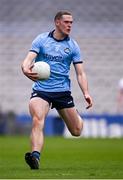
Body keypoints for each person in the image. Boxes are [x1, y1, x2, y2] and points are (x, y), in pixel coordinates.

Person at [21, 11, 93, 169]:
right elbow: (27, 61)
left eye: (71, 23)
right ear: (57, 23)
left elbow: (80, 73)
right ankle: (35, 156)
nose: (70, 25)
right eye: (67, 22)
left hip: (62, 92)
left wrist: (86, 92)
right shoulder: (41, 40)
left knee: (76, 131)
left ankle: (74, 116)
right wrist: (25, 69)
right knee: (37, 119)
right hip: (41, 90)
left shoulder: (73, 46)